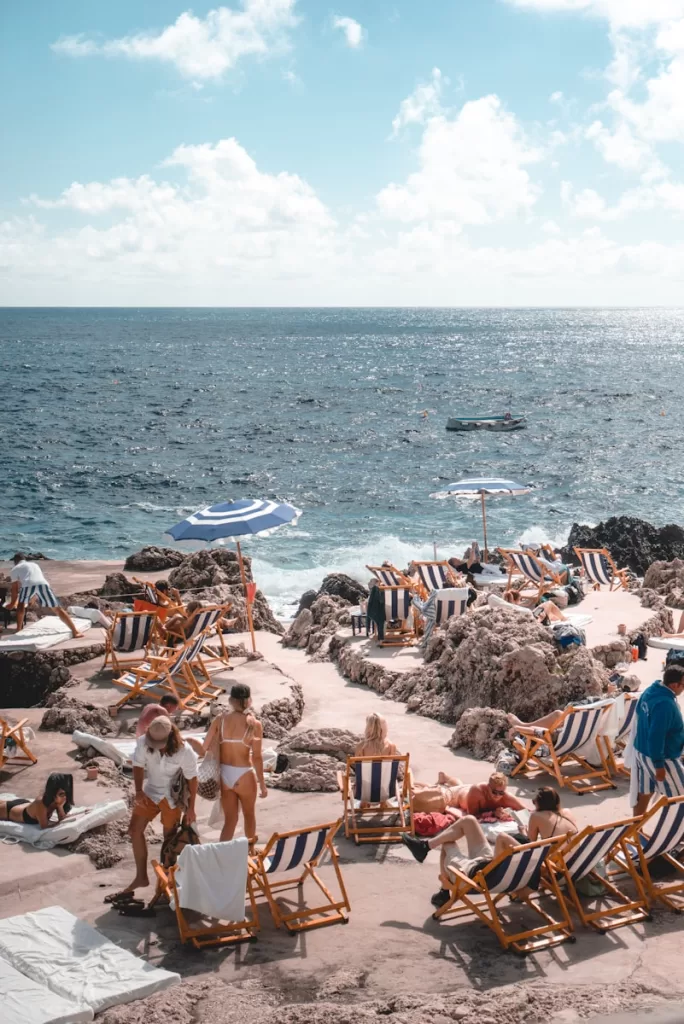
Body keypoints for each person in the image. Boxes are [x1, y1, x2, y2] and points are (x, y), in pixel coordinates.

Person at [401, 785, 574, 907]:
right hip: (495, 865)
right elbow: (533, 849)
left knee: (447, 841)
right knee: (468, 820)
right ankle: (424, 847)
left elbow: (529, 845)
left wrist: (521, 832)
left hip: (487, 875)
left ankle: (445, 891)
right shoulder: (566, 815)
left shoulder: (533, 850)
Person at [124, 716, 198, 895]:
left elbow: (192, 779)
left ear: (171, 736)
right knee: (135, 830)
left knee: (169, 840)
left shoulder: (184, 750)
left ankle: (165, 883)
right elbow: (137, 765)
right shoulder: (143, 742)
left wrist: (191, 808)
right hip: (150, 792)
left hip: (172, 796)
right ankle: (141, 876)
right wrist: (139, 791)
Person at [200, 683, 267, 842]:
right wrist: (262, 784)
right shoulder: (254, 724)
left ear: (231, 700)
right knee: (249, 816)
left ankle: (222, 856)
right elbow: (257, 757)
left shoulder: (220, 719)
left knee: (230, 821)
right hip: (243, 773)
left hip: (224, 774)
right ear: (249, 700)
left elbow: (205, 747)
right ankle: (250, 853)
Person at [632, 665, 684, 816]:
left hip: (641, 752)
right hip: (662, 757)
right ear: (674, 685)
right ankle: (673, 832)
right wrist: (659, 766)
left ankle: (636, 828)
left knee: (645, 792)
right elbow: (656, 736)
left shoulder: (650, 690)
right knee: (680, 797)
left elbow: (638, 715)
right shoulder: (665, 704)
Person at [8, 553, 83, 638]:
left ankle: (18, 629)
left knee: (20, 606)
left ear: (15, 561)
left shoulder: (15, 569)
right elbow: (36, 580)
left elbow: (14, 589)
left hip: (27, 585)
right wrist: (33, 597)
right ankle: (75, 631)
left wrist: (12, 603)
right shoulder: (34, 564)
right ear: (24, 559)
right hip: (43, 584)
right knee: (57, 609)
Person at [411, 771, 525, 815]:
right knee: (438, 792)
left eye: (501, 792)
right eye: (494, 792)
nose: (498, 795)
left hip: (465, 791)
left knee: (460, 786)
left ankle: (445, 777)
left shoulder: (506, 797)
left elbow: (526, 811)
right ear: (488, 786)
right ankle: (414, 781)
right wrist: (493, 813)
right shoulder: (477, 791)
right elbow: (472, 815)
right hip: (455, 797)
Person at [0, 773, 74, 829]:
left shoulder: (57, 800)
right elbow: (44, 827)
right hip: (9, 811)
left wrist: (60, 807)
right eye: (61, 794)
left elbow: (61, 818)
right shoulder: (41, 803)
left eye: (66, 794)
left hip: (24, 805)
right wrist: (59, 821)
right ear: (53, 793)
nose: (64, 797)